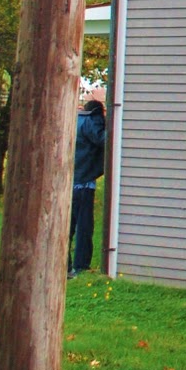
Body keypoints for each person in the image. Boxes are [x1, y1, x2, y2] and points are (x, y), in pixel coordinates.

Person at [69, 98, 106, 276]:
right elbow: (104, 139)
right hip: (84, 184)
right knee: (84, 226)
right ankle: (81, 266)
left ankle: (65, 265)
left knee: (68, 226)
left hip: (70, 181)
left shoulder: (76, 120)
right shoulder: (92, 121)